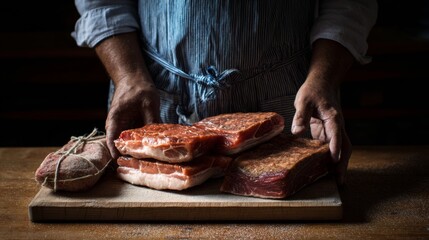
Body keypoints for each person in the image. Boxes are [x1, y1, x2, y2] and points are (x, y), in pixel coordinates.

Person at [72, 0, 378, 185]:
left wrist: (322, 79)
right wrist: (128, 77)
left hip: (291, 98)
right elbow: (101, 3)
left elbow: (349, 4)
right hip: (154, 94)